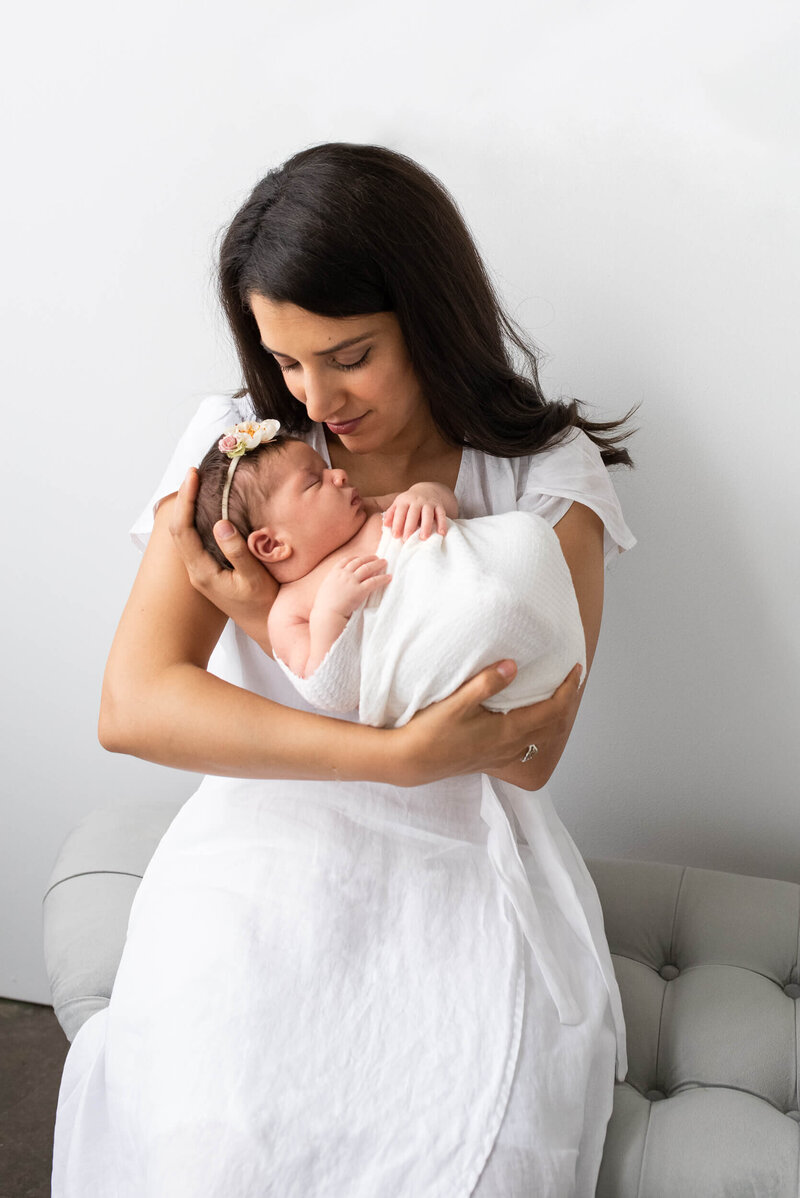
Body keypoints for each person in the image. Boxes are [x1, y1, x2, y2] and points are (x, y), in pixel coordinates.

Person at [53, 142, 636, 1197]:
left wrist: (311, 642)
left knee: (478, 1150)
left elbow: (534, 753)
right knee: (211, 1140)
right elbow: (133, 703)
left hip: (460, 860)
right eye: (284, 360)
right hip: (262, 842)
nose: (312, 397)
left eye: (347, 353)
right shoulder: (238, 455)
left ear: (429, 314)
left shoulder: (539, 476)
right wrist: (387, 752)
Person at [194, 424, 587, 730]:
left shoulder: (367, 509)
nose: (340, 475)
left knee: (528, 533)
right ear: (272, 545)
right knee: (482, 615)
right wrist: (330, 614)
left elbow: (448, 506)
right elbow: (329, 690)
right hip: (441, 635)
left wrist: (426, 496)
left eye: (327, 469)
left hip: (477, 571)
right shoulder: (289, 610)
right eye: (315, 481)